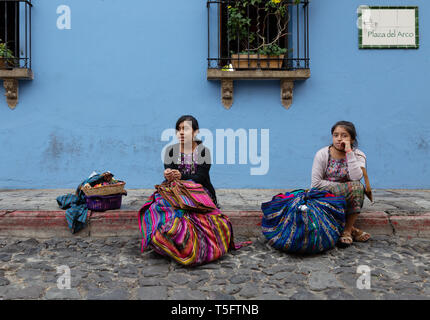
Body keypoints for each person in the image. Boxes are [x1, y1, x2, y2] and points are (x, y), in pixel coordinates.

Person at [138, 115, 245, 266]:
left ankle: (191, 246)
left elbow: (201, 176)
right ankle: (167, 242)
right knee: (157, 207)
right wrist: (169, 174)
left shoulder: (203, 151)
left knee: (194, 216)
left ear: (195, 132)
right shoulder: (170, 151)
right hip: (175, 190)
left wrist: (181, 175)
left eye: (186, 129)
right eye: (179, 129)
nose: (181, 132)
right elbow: (170, 171)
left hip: (198, 191)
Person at [311, 121, 371, 247]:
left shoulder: (358, 155)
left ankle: (347, 231)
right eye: (335, 135)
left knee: (356, 187)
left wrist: (349, 152)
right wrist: (342, 187)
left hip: (350, 195)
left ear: (352, 139)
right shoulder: (322, 154)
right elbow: (316, 183)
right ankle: (353, 230)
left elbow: (356, 177)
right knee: (353, 187)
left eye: (344, 136)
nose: (339, 139)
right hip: (325, 195)